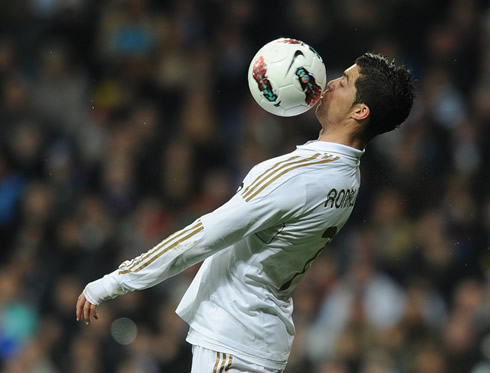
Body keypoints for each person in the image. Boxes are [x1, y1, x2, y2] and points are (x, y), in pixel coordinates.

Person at [76, 52, 415, 372]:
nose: (330, 83)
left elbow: (204, 235)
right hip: (257, 335)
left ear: (360, 112)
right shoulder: (348, 174)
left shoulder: (302, 175)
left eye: (345, 82)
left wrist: (114, 282)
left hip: (234, 339)